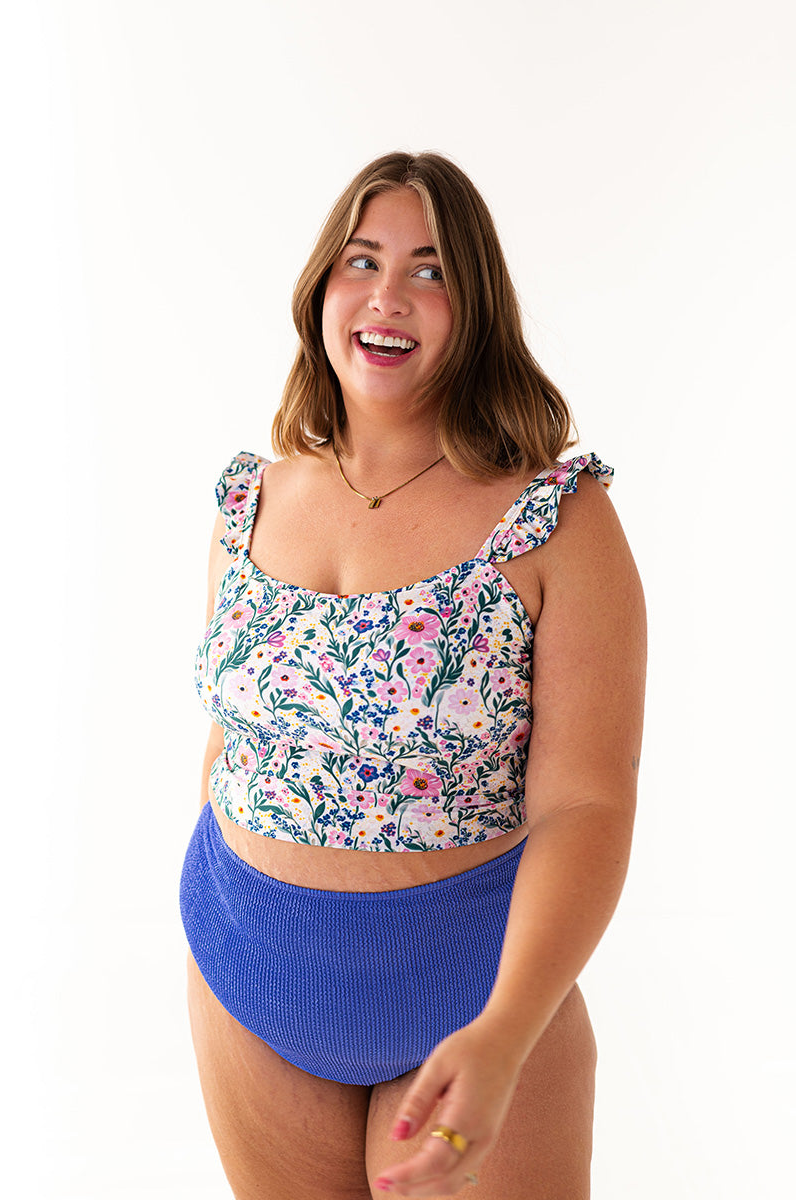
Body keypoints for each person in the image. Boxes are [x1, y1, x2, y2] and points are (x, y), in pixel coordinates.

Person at [180, 150, 646, 1200]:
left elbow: (587, 800)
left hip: (472, 993)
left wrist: (508, 1030)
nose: (388, 295)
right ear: (321, 288)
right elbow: (229, 740)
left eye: (430, 270)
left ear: (474, 308)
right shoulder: (248, 502)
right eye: (363, 260)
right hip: (249, 969)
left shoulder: (556, 519)